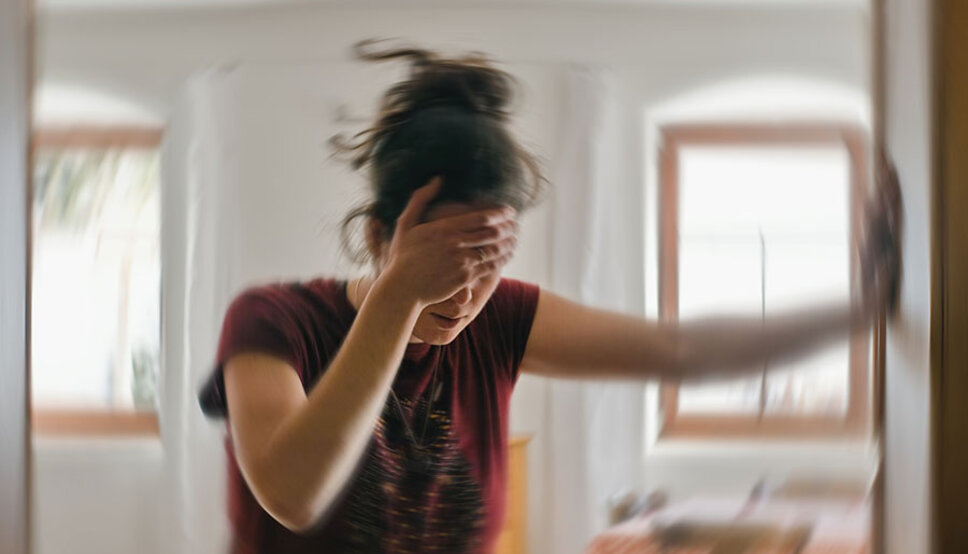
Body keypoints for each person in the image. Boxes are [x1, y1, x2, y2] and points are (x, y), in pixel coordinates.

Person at [198, 40, 901, 554]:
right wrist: (400, 296)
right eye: (440, 258)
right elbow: (294, 496)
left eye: (485, 261)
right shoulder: (272, 321)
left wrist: (861, 308)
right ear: (380, 236)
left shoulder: (502, 320)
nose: (463, 291)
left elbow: (680, 349)